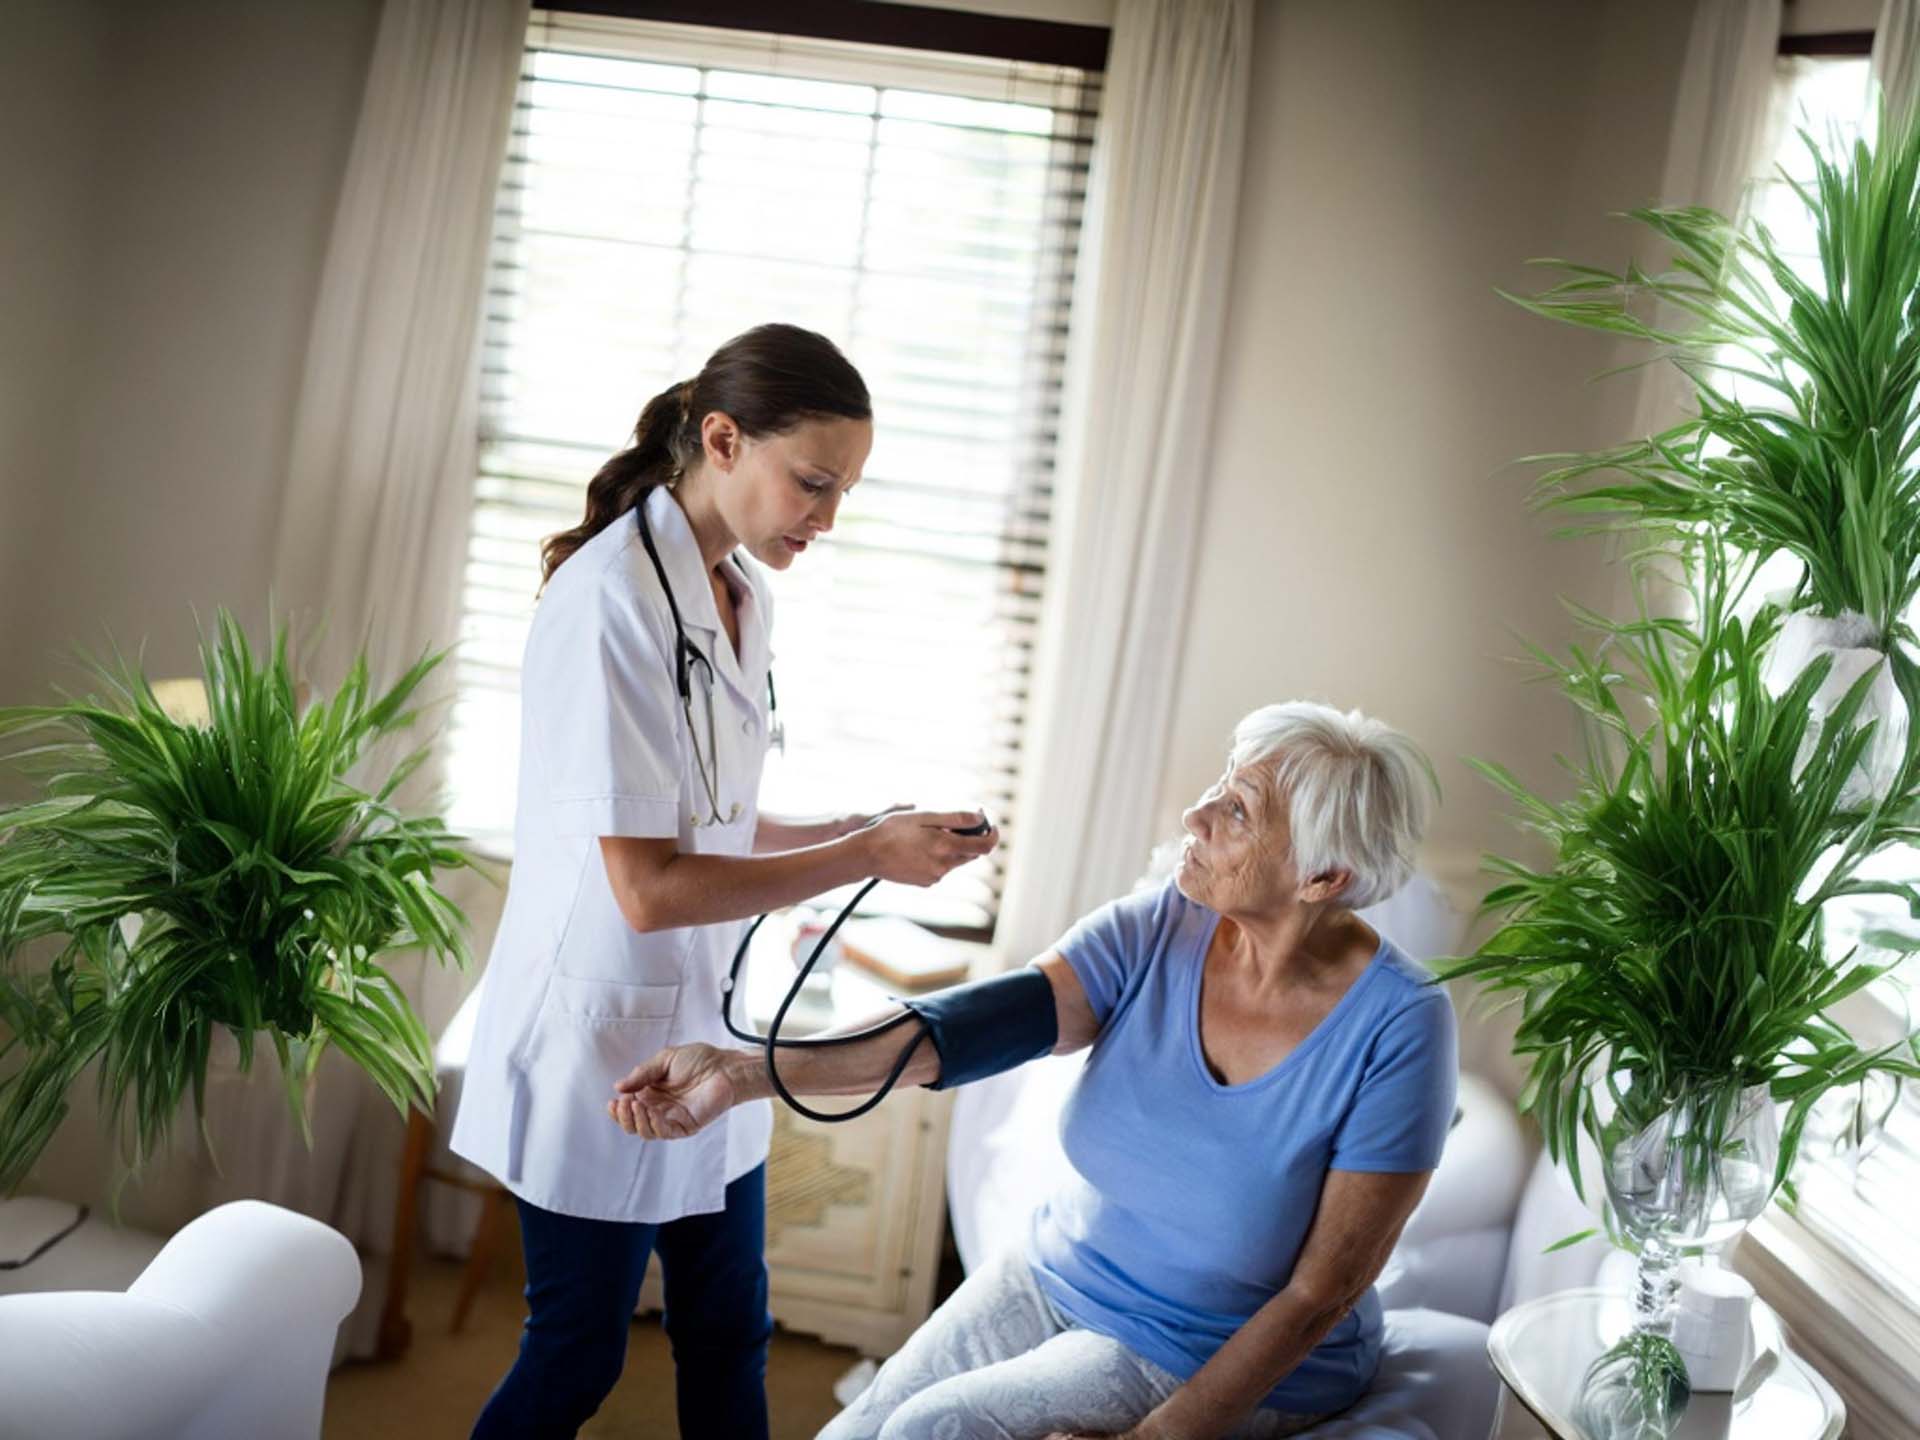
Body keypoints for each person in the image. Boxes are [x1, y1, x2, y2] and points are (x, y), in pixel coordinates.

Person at [612, 701, 1456, 1440]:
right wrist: (740, 1070)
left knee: (932, 1428)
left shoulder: (1402, 1028)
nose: (1196, 815)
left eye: (1236, 811)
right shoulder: (1166, 922)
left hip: (1205, 1344)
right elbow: (962, 1031)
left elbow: (1322, 1293)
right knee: (861, 1428)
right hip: (1061, 1271)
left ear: (1323, 876)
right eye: (1220, 784)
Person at [450, 323, 997, 1440]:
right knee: (578, 1357)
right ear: (722, 439)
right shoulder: (609, 599)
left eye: (842, 491)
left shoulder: (742, 594)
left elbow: (718, 820)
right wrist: (863, 859)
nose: (827, 518)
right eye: (813, 482)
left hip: (709, 1029)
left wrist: (870, 826)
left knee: (728, 1331)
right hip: (602, 1037)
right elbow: (648, 887)